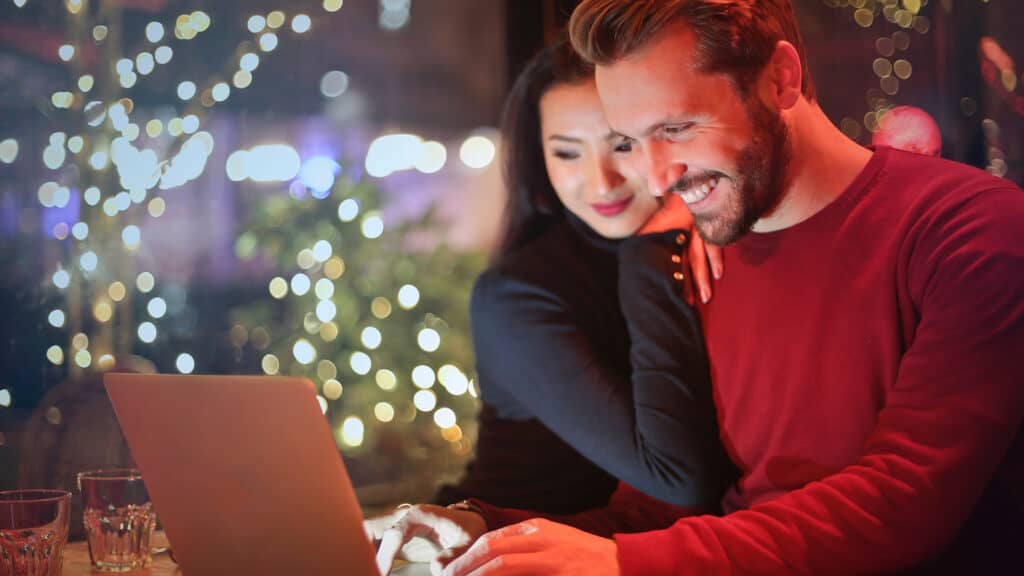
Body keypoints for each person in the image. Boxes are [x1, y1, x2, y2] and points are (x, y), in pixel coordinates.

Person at [375, 2, 1024, 575]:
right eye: (633, 140)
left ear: (781, 79)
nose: (654, 178)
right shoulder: (706, 252)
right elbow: (663, 512)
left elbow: (906, 499)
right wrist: (488, 534)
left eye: (676, 128)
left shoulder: (970, 230)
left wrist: (624, 562)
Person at [367, 36, 735, 574]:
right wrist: (653, 248)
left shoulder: (705, 247)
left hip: (602, 553)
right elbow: (679, 478)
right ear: (540, 161)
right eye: (566, 152)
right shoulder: (519, 295)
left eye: (621, 145)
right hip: (487, 553)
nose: (600, 180)